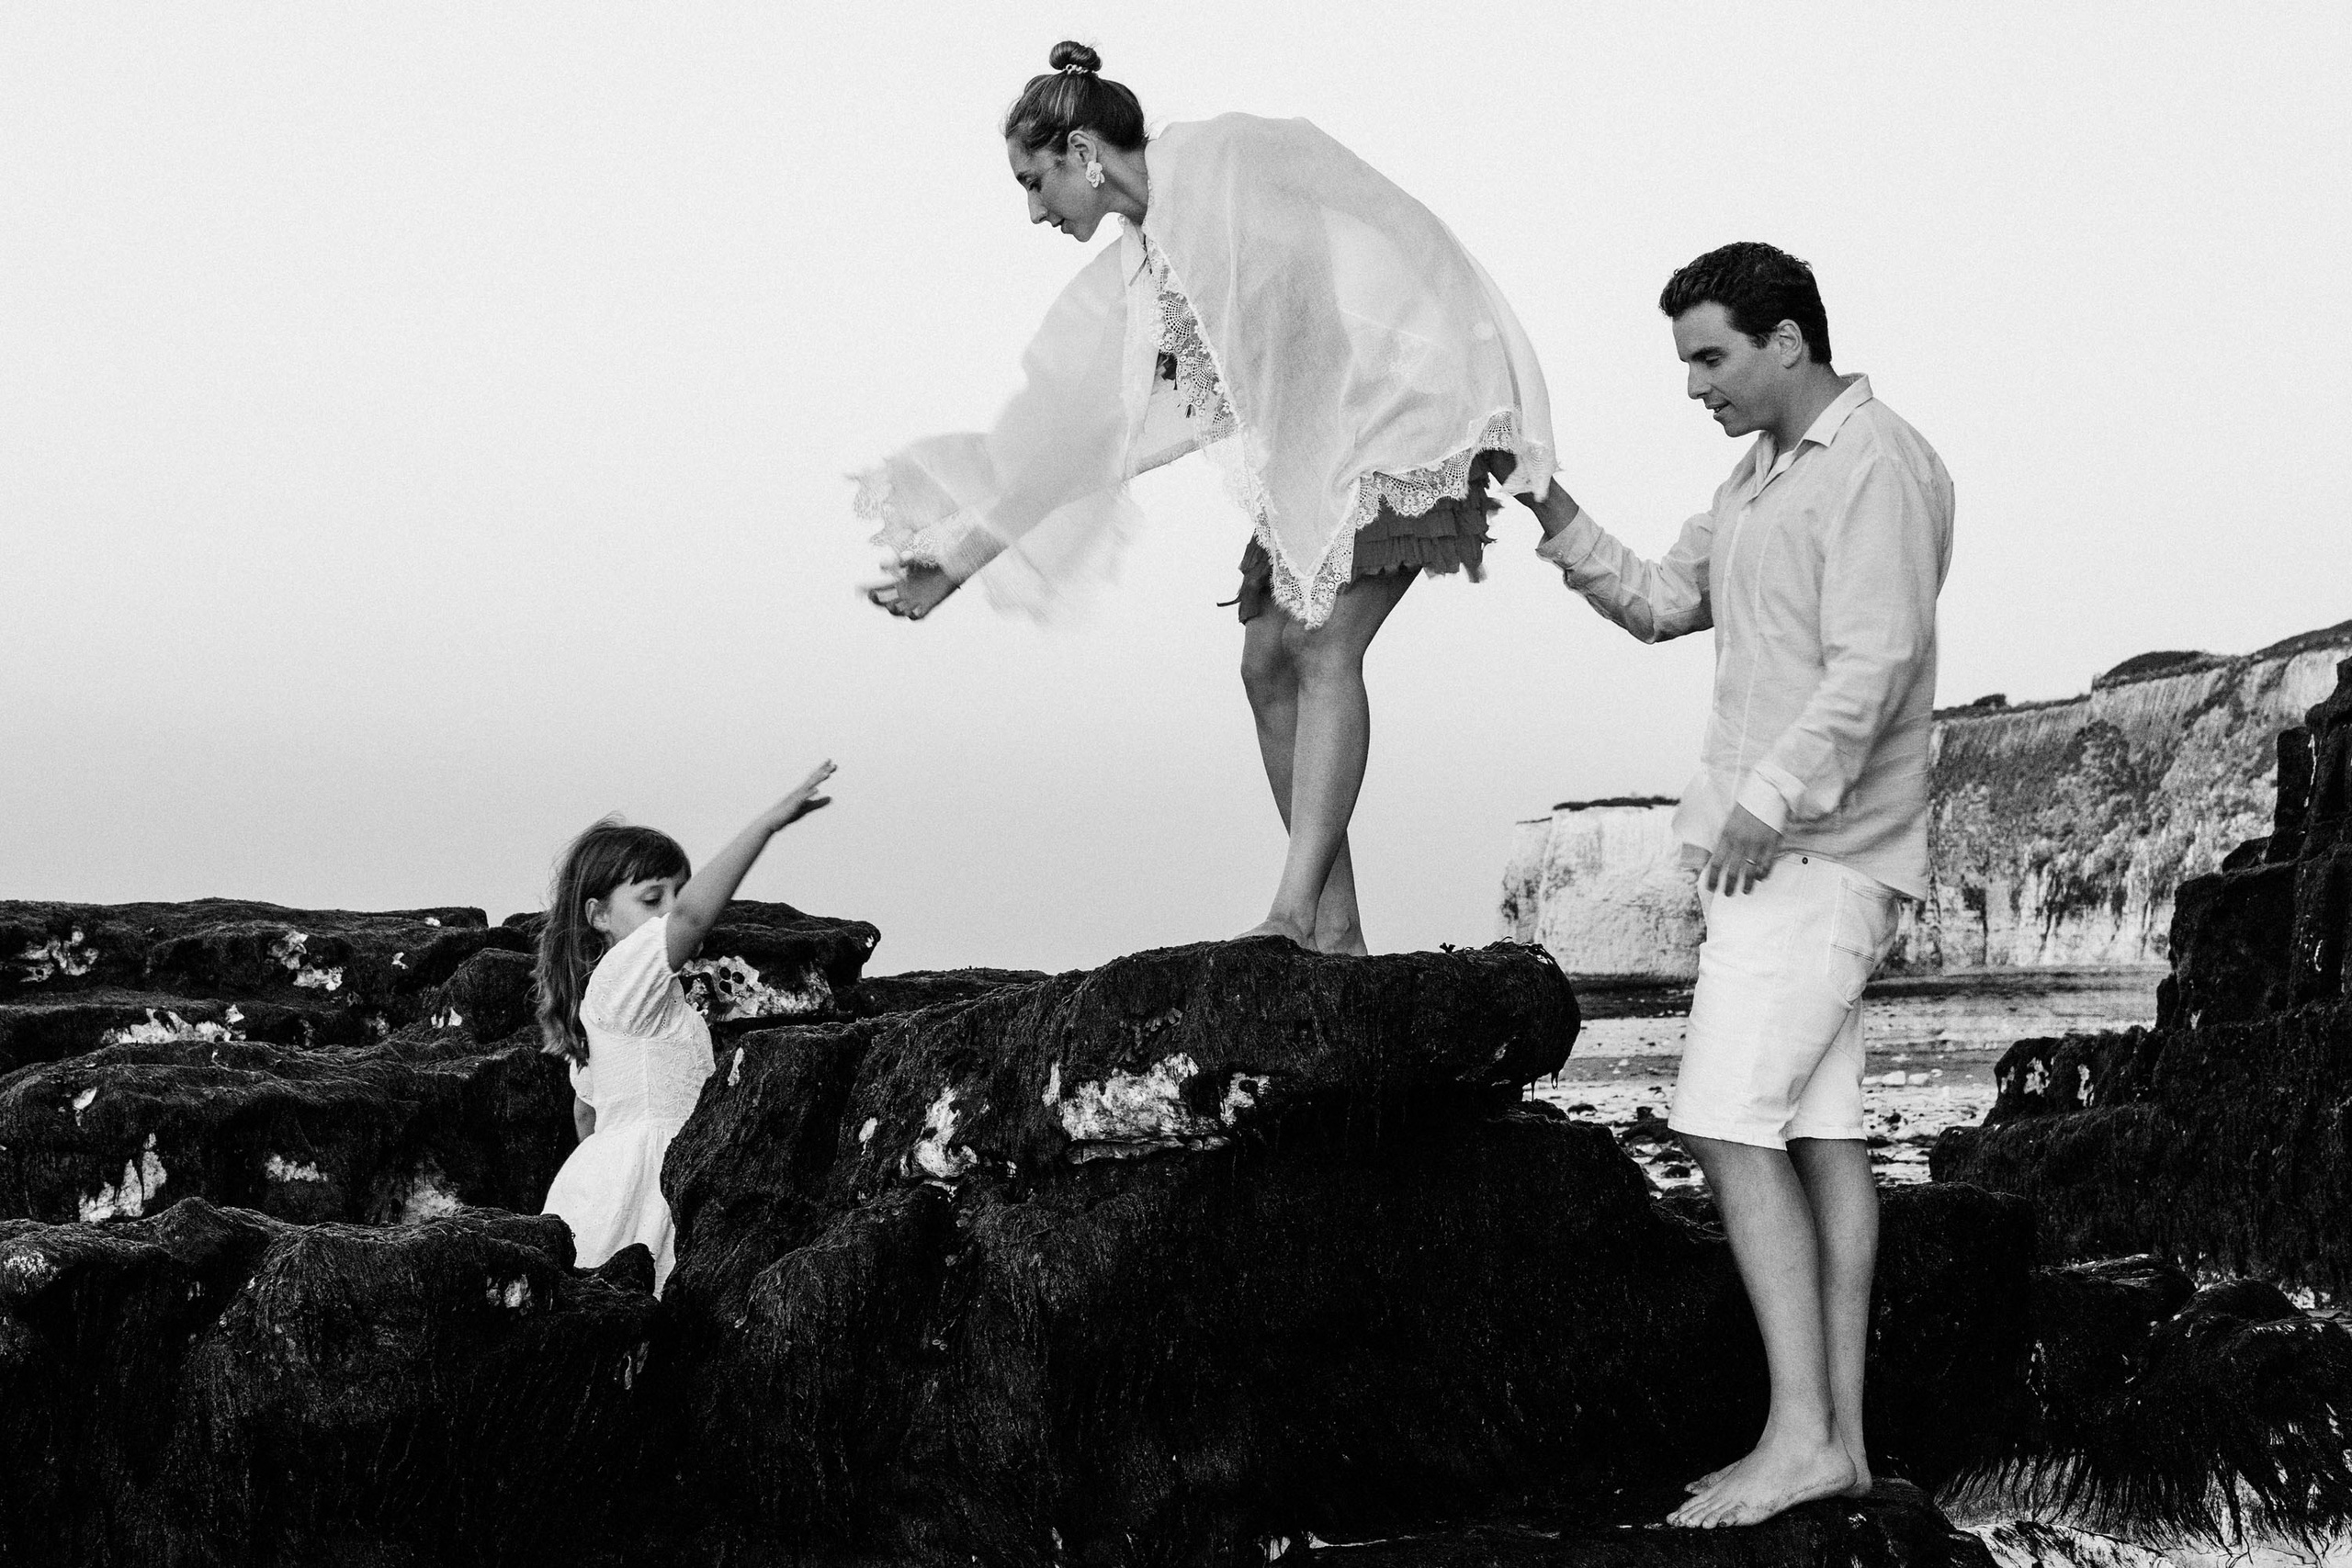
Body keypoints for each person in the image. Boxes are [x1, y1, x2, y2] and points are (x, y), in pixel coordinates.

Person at [857, 41, 1555, 954]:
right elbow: (1088, 435)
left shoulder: (1221, 165)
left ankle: (1294, 915)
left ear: (1080, 152)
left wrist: (1461, 366)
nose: (1033, 210)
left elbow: (1364, 243)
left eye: (1034, 181)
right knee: (1264, 662)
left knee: (1320, 642)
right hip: (1322, 453)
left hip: (1402, 420)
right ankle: (1336, 930)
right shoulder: (1146, 264)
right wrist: (956, 560)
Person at [1518, 243, 1952, 1528]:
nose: (1694, 384)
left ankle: (1802, 1435)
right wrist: (1548, 505)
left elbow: (1876, 661)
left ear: (1787, 341)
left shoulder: (1877, 464)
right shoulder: (1754, 476)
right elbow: (1660, 601)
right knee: (1820, 1136)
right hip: (1783, 857)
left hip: (1817, 854)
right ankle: (1840, 1444)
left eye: (1710, 356)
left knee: (1718, 1119)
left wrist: (1766, 801)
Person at [536, 762, 835, 1292]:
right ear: (598, 916)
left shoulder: (621, 993)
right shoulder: (624, 976)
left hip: (627, 1177)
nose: (671, 910)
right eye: (653, 899)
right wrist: (767, 825)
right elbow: (692, 920)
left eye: (680, 892)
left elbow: (586, 1108)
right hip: (650, 1178)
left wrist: (605, 1167)